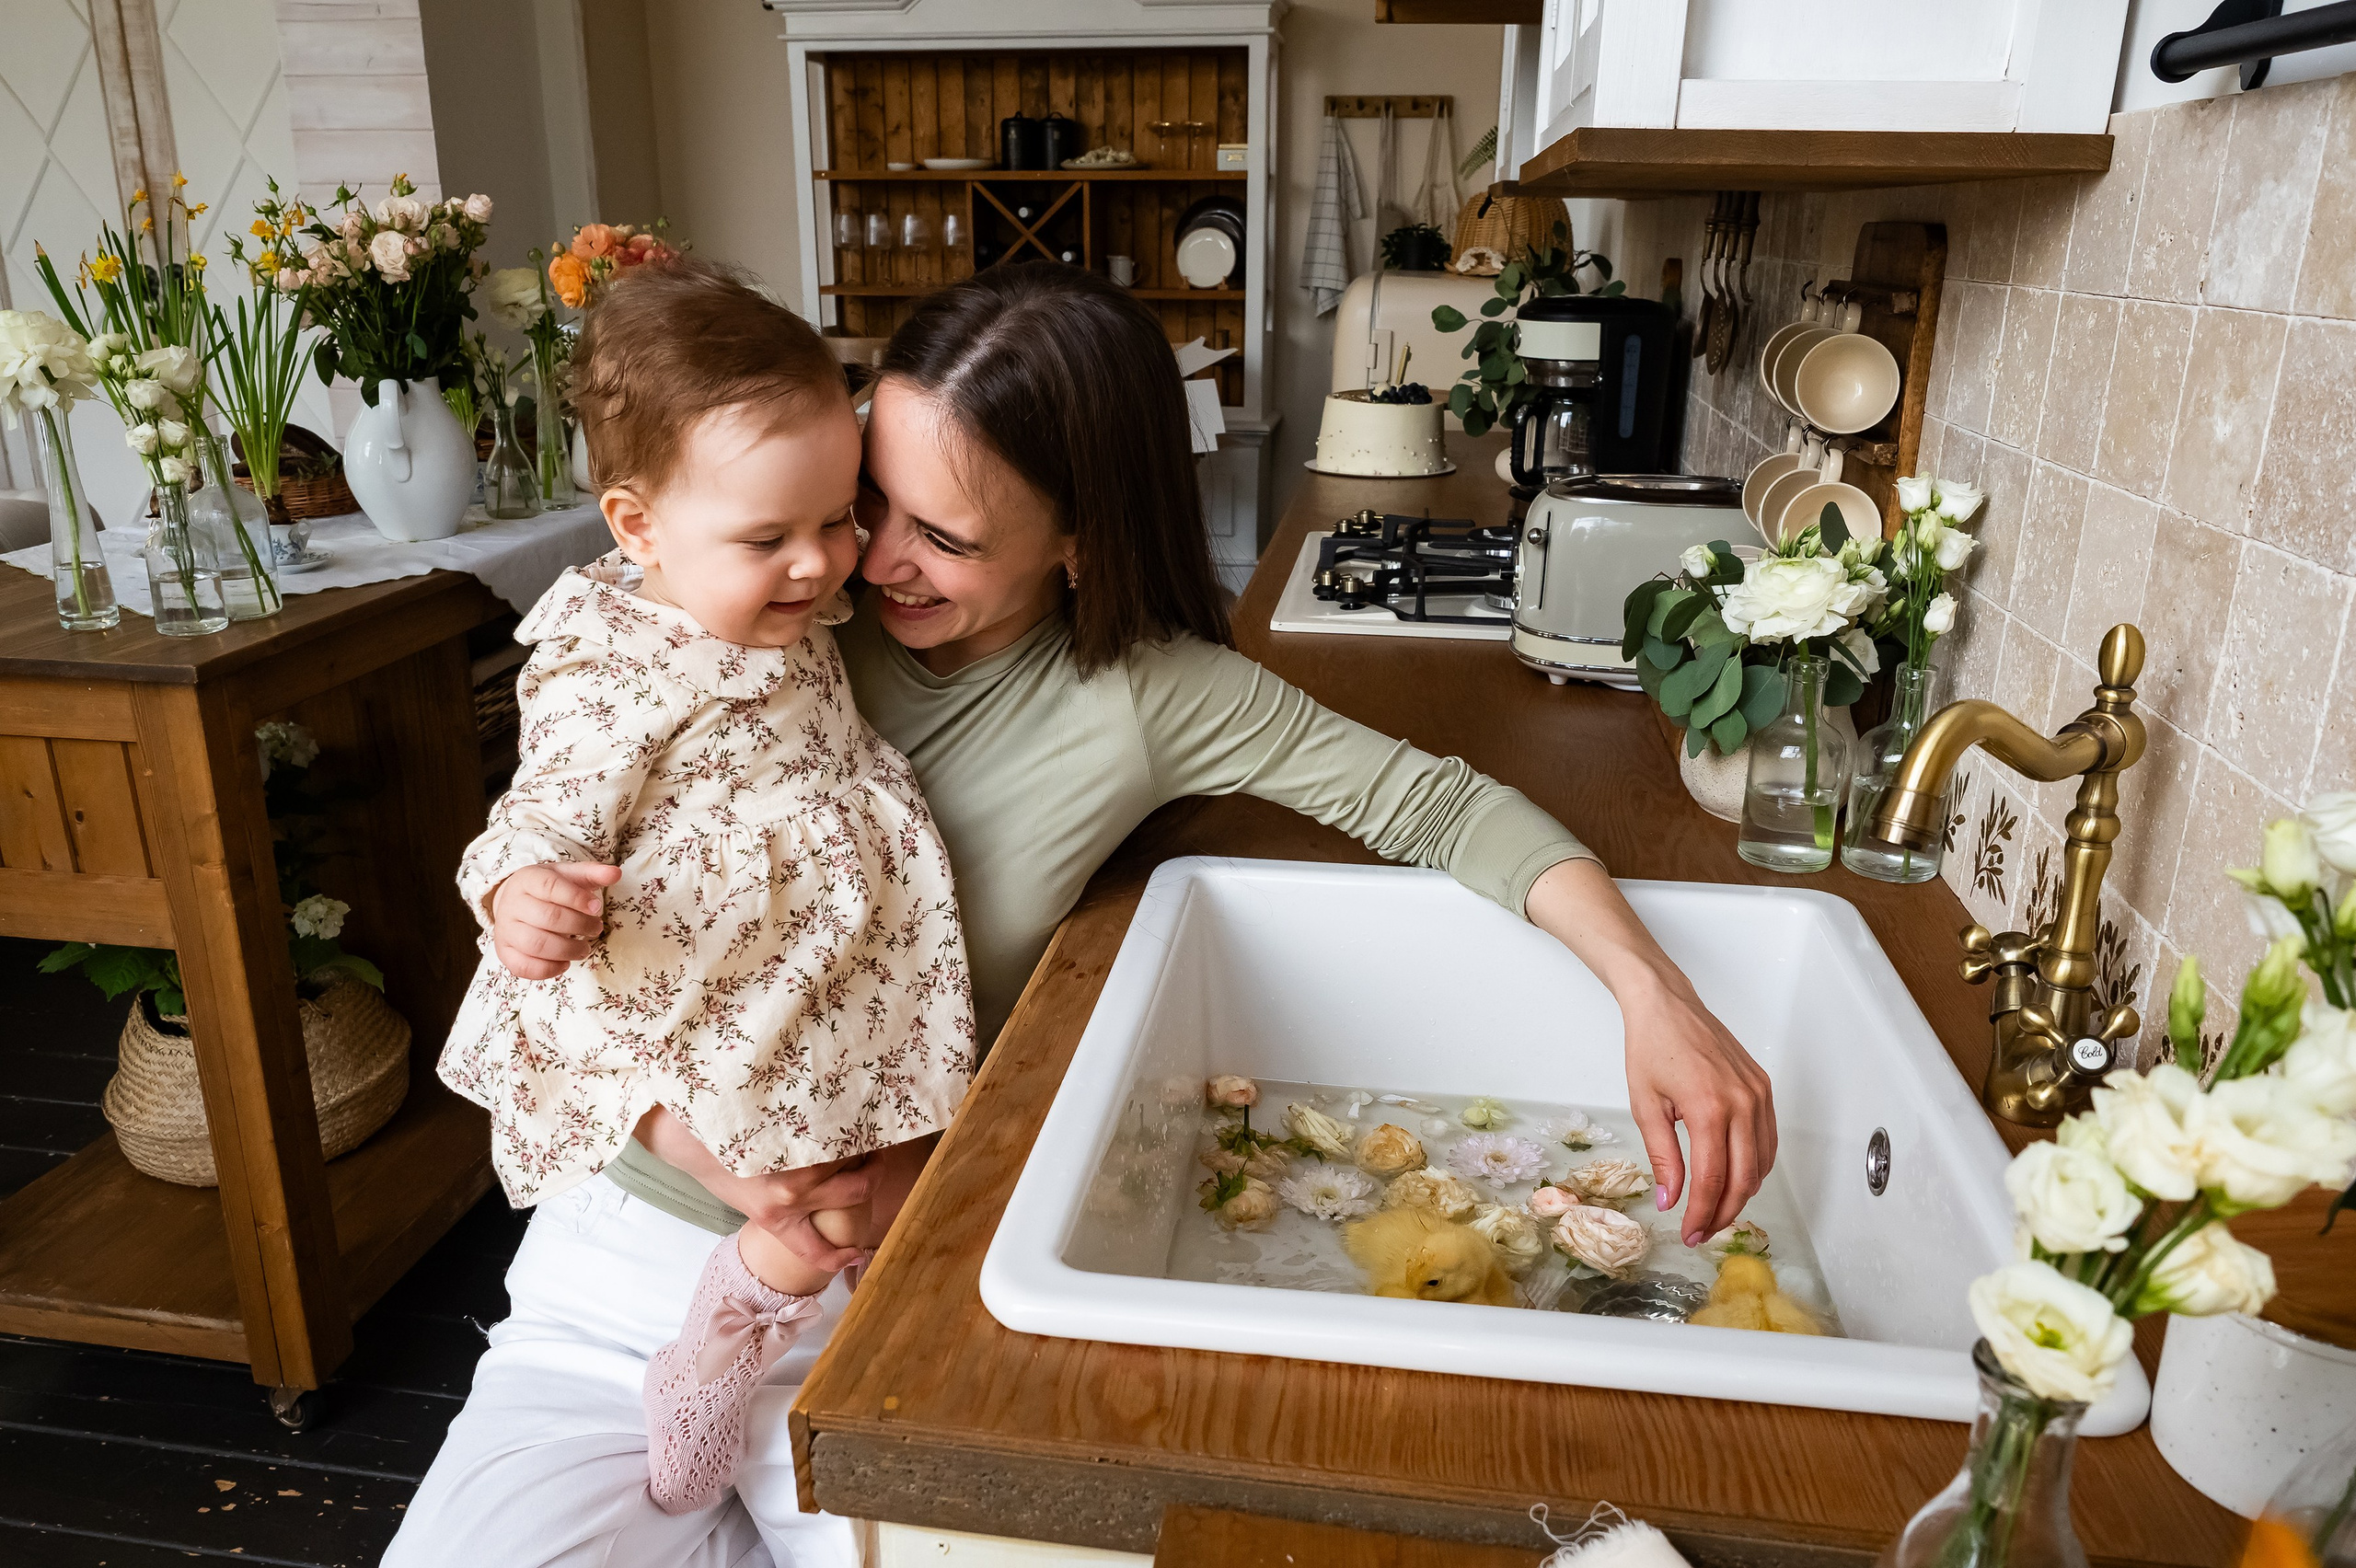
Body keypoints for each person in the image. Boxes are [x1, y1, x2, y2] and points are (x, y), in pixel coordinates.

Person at [389, 262, 1773, 1568]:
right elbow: (546, 910)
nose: (865, 566)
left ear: (1079, 539)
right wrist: (696, 1144)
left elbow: (1447, 812)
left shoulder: (1148, 695)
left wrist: (1657, 999)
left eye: (944, 536)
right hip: (622, 1260)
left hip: (874, 1297)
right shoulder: (748, 602)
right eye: (870, 502)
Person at [423, 260, 971, 1544]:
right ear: (636, 527)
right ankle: (719, 1350)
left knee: (864, 1185)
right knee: (804, 1195)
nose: (822, 564)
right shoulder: (614, 665)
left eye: (839, 518)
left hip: (830, 979)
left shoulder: (789, 603)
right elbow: (541, 807)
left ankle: (779, 1350)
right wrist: (522, 895)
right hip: (718, 1004)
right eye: (768, 539)